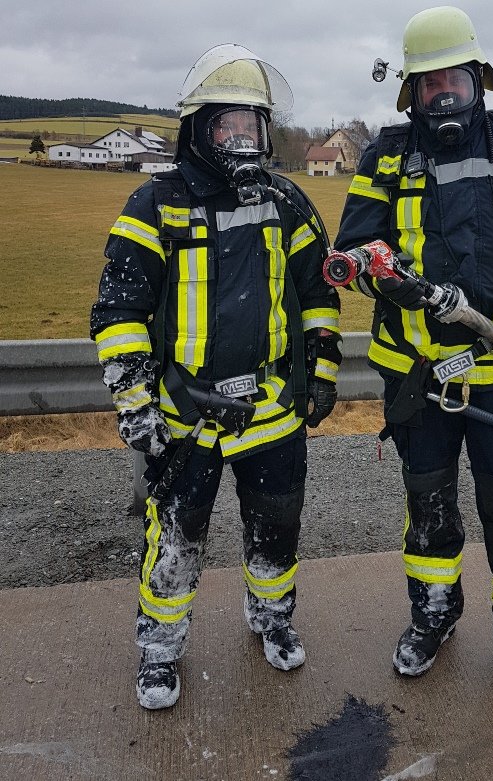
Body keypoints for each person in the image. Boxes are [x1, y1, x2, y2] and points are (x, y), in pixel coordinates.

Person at [334, 7, 493, 722]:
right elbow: (355, 248)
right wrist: (378, 275)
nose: (443, 97)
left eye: (455, 81)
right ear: (410, 92)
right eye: (429, 86)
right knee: (429, 510)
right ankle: (434, 615)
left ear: (480, 80)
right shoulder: (385, 158)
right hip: (419, 379)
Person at [91, 44, 341, 710]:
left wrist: (321, 366)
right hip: (186, 418)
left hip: (272, 411)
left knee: (276, 529)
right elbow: (118, 310)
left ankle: (272, 618)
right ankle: (159, 651)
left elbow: (319, 288)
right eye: (228, 125)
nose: (242, 139)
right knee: (173, 541)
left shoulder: (286, 201)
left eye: (252, 125)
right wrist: (136, 403)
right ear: (199, 129)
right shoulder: (155, 204)